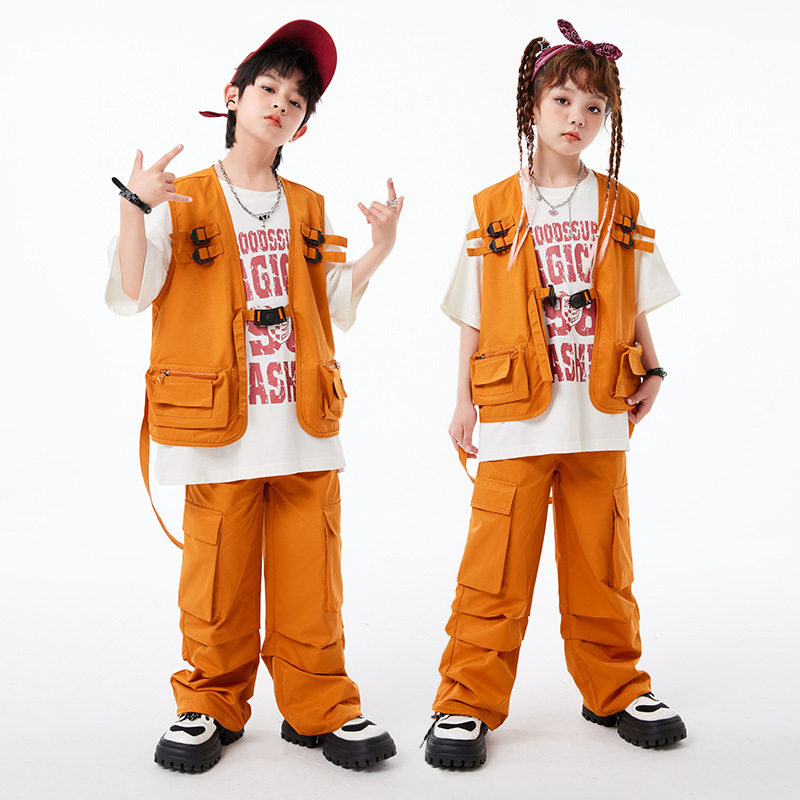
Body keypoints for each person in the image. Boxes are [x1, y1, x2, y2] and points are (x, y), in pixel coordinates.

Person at [105, 19, 403, 773]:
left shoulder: (309, 206)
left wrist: (379, 250)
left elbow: (332, 302)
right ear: (233, 96)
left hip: (303, 423)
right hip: (217, 427)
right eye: (268, 87)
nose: (280, 103)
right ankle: (208, 704)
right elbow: (133, 291)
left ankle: (321, 706)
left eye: (297, 99)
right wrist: (134, 207)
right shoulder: (181, 198)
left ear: (303, 124)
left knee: (313, 578)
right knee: (217, 578)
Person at [423, 19, 685, 769]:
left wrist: (654, 369)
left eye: (595, 108)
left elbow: (633, 297)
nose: (578, 118)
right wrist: (463, 400)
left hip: (599, 410)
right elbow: (473, 311)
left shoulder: (620, 205)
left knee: (603, 563)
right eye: (563, 101)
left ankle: (617, 689)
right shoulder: (494, 207)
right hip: (514, 413)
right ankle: (464, 700)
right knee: (495, 566)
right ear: (532, 107)